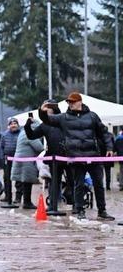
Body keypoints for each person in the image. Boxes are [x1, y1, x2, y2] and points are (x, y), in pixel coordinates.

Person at [40, 92, 115, 220]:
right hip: (76, 157)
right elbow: (47, 120)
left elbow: (104, 133)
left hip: (93, 156)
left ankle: (102, 211)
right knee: (78, 185)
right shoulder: (64, 118)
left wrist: (109, 148)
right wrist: (42, 112)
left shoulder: (92, 116)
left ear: (80, 101)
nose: (70, 104)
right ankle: (80, 210)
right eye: (69, 102)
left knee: (98, 185)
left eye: (73, 102)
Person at [24, 99, 73, 207]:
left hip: (68, 156)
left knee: (72, 181)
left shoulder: (64, 120)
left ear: (54, 108)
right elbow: (31, 136)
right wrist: (28, 125)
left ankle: (75, 205)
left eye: (48, 108)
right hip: (53, 158)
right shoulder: (44, 125)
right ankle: (53, 205)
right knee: (54, 182)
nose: (46, 110)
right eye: (44, 108)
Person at [12, 115, 44, 209]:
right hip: (27, 161)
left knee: (24, 181)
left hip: (21, 159)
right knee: (27, 181)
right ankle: (27, 202)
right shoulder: (30, 133)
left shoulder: (23, 132)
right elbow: (39, 148)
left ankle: (23, 201)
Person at [0, 118, 22, 204]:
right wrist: (2, 157)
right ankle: (7, 196)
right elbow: (1, 147)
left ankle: (18, 197)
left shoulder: (21, 134)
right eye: (11, 124)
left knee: (18, 179)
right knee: (6, 178)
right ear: (9, 126)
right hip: (7, 160)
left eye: (15, 123)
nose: (13, 125)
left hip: (18, 159)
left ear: (18, 125)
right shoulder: (4, 135)